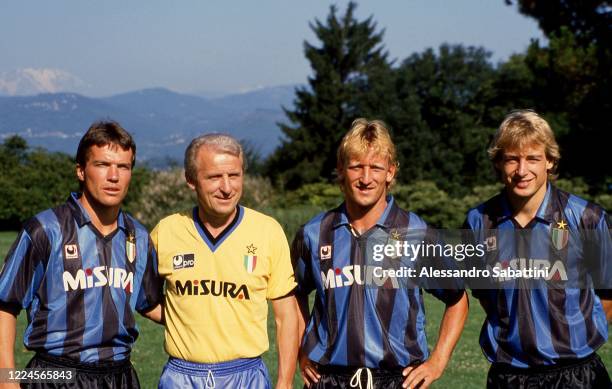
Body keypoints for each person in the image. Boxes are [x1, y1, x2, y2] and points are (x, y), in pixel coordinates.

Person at [292, 118, 468, 389]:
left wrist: (437, 361)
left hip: (395, 380)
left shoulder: (416, 232)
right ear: (341, 170)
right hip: (328, 379)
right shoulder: (314, 233)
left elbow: (457, 297)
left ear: (390, 172)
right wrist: (302, 350)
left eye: (375, 167)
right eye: (356, 167)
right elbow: (295, 293)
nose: (365, 178)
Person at [0, 121, 163, 389]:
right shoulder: (45, 230)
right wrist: (5, 379)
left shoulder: (139, 237)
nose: (114, 176)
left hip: (119, 376)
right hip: (55, 373)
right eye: (102, 165)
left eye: (123, 167)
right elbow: (6, 304)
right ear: (80, 170)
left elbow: (150, 302)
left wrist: (210, 307)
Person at [464, 110, 611, 388]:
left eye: (533, 158)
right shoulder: (478, 222)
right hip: (510, 376)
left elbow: (609, 294)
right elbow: (485, 296)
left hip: (578, 376)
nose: (522, 171)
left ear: (550, 161)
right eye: (512, 159)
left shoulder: (587, 218)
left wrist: (574, 333)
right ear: (498, 163)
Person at [152, 133, 298, 389]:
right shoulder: (166, 231)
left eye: (234, 175)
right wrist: (186, 317)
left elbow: (286, 317)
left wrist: (285, 383)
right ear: (191, 180)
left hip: (246, 375)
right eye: (214, 177)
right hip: (181, 377)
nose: (227, 187)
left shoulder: (267, 231)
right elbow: (142, 298)